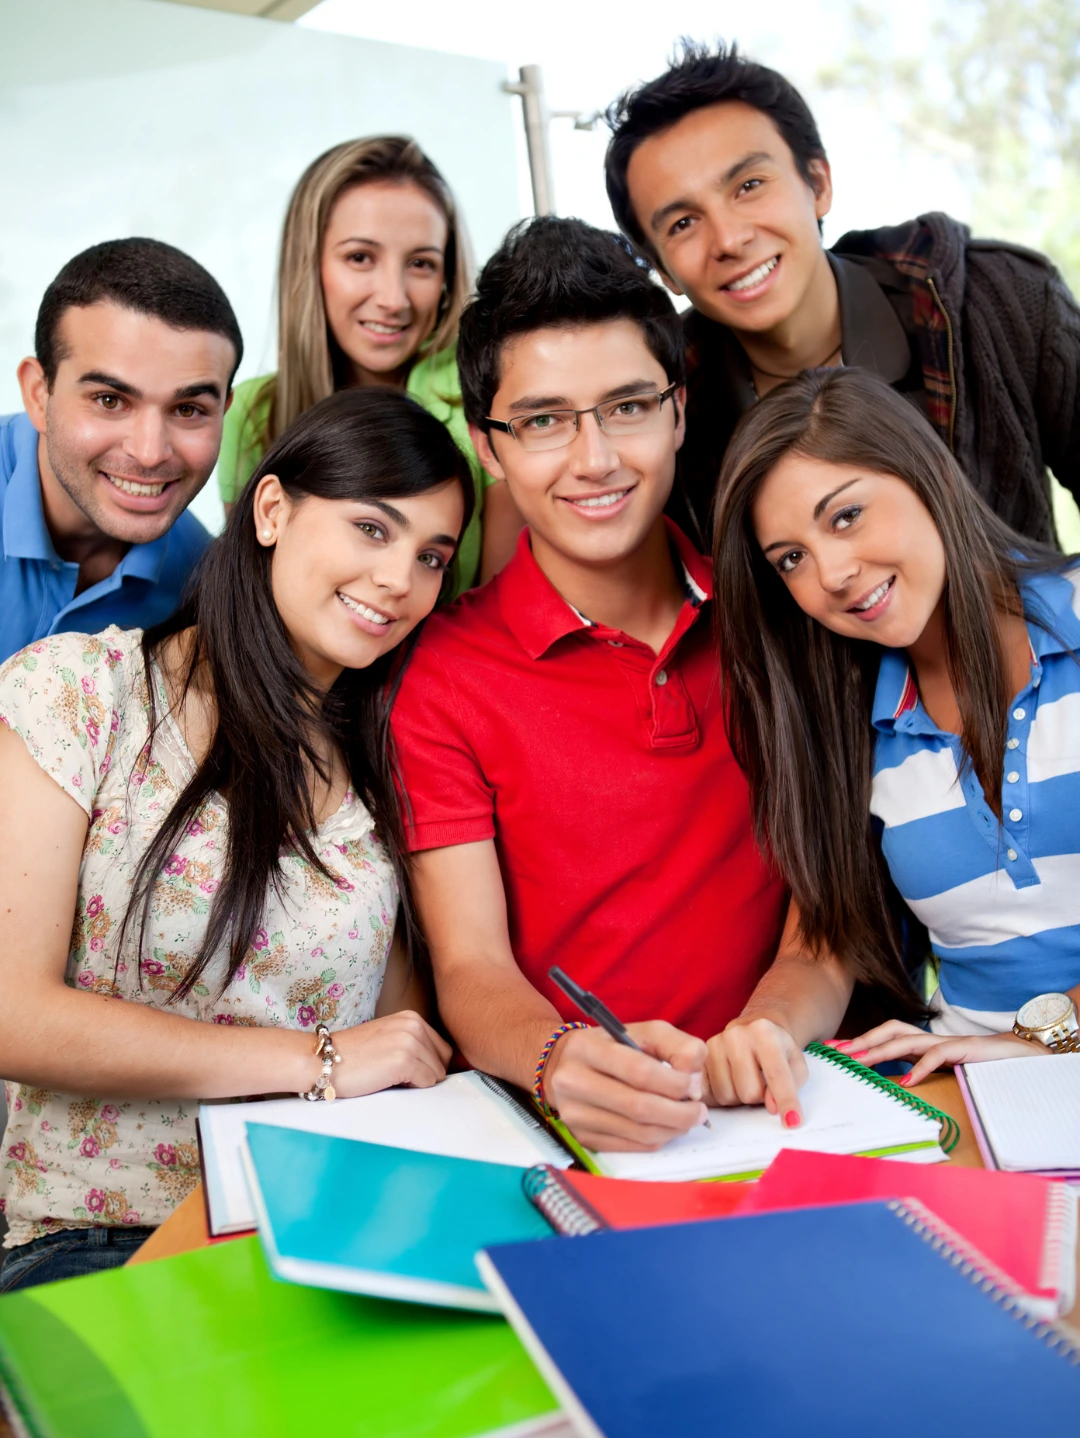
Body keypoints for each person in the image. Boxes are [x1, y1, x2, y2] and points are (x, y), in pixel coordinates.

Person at [390, 214, 845, 1157]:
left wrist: (767, 1032)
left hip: (799, 1108)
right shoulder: (439, 675)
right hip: (560, 1131)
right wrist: (559, 1057)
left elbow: (824, 923)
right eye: (546, 421)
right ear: (489, 445)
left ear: (678, 409)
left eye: (628, 406)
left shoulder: (785, 608)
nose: (596, 459)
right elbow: (470, 966)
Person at [0, 387, 470, 1290]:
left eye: (431, 556)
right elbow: (12, 1011)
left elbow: (396, 1040)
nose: (399, 581)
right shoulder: (82, 693)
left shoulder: (390, 757)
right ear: (271, 509)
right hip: (107, 1238)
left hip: (324, 1225)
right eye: (372, 530)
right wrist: (313, 1062)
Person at [709, 364, 1074, 1100]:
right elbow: (824, 943)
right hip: (972, 1105)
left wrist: (1036, 1039)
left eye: (845, 516)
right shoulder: (853, 724)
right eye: (792, 560)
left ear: (927, 472)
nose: (833, 574)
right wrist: (765, 1029)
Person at [604, 41, 1080, 548]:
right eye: (683, 223)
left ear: (818, 182)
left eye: (749, 186)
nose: (728, 239)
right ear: (664, 272)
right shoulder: (664, 412)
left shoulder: (998, 300)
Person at [219, 135, 515, 592]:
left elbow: (499, 606)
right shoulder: (250, 413)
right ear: (309, 265)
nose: (393, 299)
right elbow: (248, 595)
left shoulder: (486, 394)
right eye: (360, 257)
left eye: (421, 263)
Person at [2, 238, 242, 661]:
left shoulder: (204, 584)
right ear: (39, 395)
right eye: (110, 401)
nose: (150, 453)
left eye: (188, 409)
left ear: (224, 412)